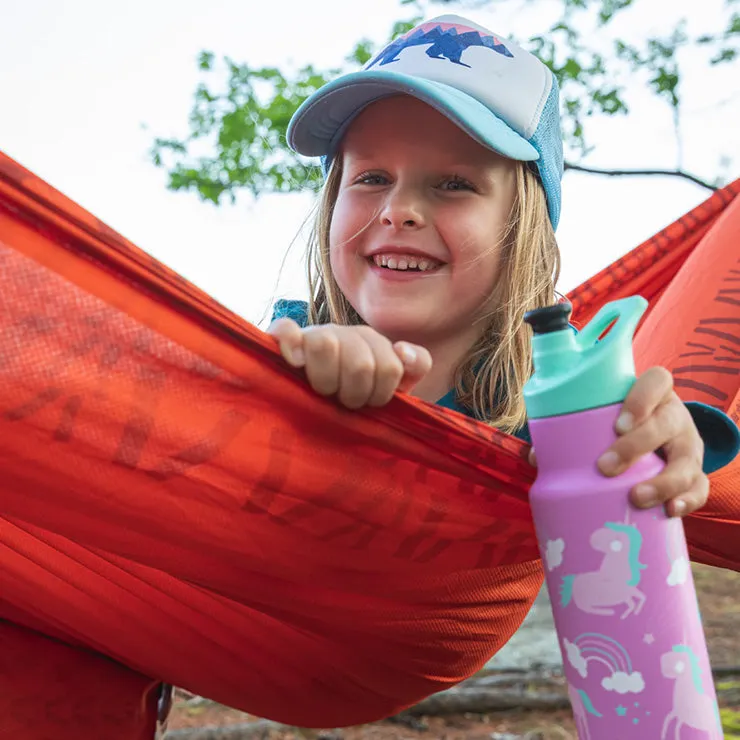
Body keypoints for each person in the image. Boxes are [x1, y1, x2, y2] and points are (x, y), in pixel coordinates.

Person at [267, 13, 740, 517]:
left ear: (522, 232)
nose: (397, 209)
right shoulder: (290, 348)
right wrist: (285, 376)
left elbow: (684, 451)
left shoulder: (563, 407)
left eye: (454, 184)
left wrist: (660, 436)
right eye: (372, 177)